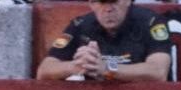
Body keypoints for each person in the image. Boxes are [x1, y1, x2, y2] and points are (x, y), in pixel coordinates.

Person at [36, 0, 171, 83]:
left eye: (113, 1)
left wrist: (107, 69)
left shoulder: (151, 22)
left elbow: (158, 72)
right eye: (101, 2)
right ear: (91, 3)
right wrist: (78, 66)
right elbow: (44, 70)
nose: (108, 9)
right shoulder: (80, 25)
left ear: (128, 1)